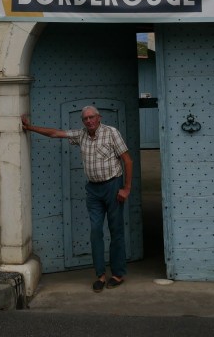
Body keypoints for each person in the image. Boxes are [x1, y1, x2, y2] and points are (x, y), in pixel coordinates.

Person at [21, 106, 133, 291]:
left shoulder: (111, 133)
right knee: (95, 231)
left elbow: (127, 160)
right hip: (93, 190)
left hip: (113, 187)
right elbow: (55, 133)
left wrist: (126, 188)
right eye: (85, 119)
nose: (88, 121)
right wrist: (30, 127)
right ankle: (100, 275)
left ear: (99, 118)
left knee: (116, 230)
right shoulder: (81, 135)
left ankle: (118, 274)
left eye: (91, 117)